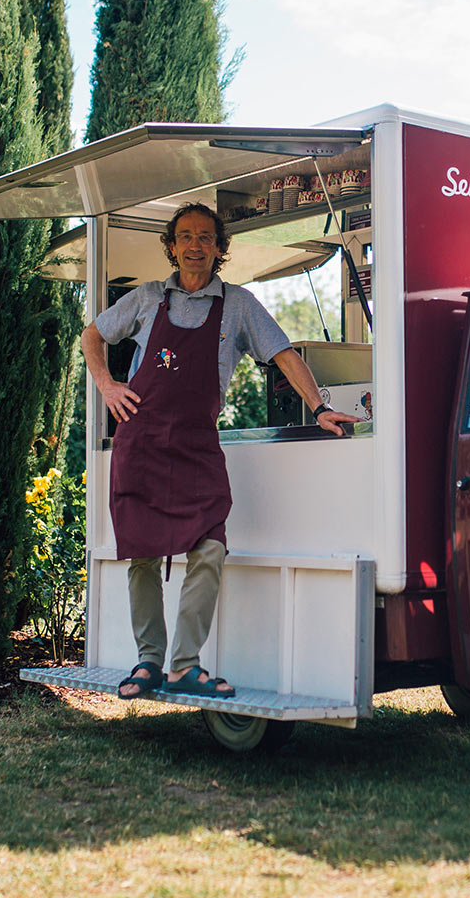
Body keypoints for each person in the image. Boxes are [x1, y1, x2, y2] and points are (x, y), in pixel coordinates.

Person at [82, 202, 358, 700]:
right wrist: (107, 385)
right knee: (142, 556)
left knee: (209, 547)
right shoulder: (146, 298)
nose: (194, 245)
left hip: (196, 446)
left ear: (219, 248)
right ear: (171, 246)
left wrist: (318, 407)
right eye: (185, 236)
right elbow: (93, 335)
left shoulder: (238, 305)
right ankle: (147, 661)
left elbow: (284, 354)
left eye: (205, 237)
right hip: (140, 443)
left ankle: (183, 665)